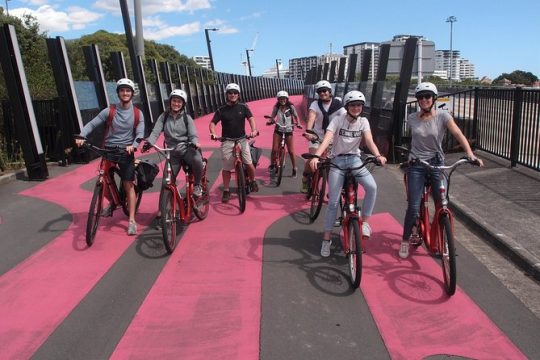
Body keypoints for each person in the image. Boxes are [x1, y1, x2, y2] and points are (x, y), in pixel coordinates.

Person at [399, 82, 484, 259]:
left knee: (442, 203)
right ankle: (405, 239)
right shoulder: (413, 117)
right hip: (417, 164)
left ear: (434, 99)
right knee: (414, 207)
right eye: (421, 97)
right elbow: (414, 140)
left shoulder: (443, 117)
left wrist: (470, 155)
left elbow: (459, 134)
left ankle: (441, 238)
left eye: (427, 96)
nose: (424, 100)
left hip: (437, 162)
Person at [309, 90, 387, 257]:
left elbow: (369, 140)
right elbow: (328, 138)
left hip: (355, 160)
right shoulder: (338, 120)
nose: (356, 108)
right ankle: (326, 239)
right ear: (347, 106)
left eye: (359, 105)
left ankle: (365, 223)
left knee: (372, 187)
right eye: (352, 105)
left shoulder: (364, 121)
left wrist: (378, 155)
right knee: (333, 202)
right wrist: (316, 155)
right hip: (337, 160)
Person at [75, 78, 145, 235]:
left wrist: (134, 146)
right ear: (118, 93)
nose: (125, 93)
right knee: (103, 181)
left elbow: (140, 133)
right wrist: (81, 135)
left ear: (132, 94)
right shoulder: (110, 111)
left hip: (126, 152)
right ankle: (113, 202)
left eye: (128, 90)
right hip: (109, 150)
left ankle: (132, 220)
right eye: (122, 90)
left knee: (128, 185)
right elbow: (92, 124)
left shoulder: (137, 113)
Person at [142, 89, 204, 228]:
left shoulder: (186, 118)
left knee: (197, 160)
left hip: (187, 148)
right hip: (172, 153)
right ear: (170, 102)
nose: (176, 103)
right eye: (174, 100)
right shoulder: (163, 117)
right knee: (166, 183)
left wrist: (194, 142)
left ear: (183, 104)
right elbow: (155, 132)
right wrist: (149, 143)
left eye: (179, 101)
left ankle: (198, 185)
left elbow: (193, 134)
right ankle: (162, 214)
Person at [209, 83, 259, 203]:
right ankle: (226, 190)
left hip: (242, 139)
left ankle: (252, 181)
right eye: (230, 93)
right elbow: (212, 123)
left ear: (238, 95)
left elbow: (251, 118)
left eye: (235, 93)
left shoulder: (243, 107)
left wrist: (253, 130)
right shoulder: (221, 110)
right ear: (227, 95)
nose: (233, 95)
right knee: (226, 168)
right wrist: (213, 133)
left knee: (249, 163)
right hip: (227, 140)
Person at [301, 80, 346, 192]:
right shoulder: (315, 104)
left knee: (331, 166)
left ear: (330, 91)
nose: (322, 93)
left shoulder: (337, 104)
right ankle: (305, 177)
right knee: (313, 157)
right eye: (319, 91)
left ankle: (332, 191)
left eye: (324, 91)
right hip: (316, 136)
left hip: (332, 139)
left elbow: (345, 117)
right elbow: (311, 118)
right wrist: (308, 131)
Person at [266, 90, 302, 177]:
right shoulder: (276, 107)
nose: (282, 100)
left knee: (291, 151)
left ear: (287, 99)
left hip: (288, 130)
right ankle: (272, 164)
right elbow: (272, 116)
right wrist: (270, 121)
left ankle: (294, 168)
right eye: (280, 99)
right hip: (278, 129)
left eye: (284, 99)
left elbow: (296, 116)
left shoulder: (291, 107)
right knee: (274, 149)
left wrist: (299, 123)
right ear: (278, 99)